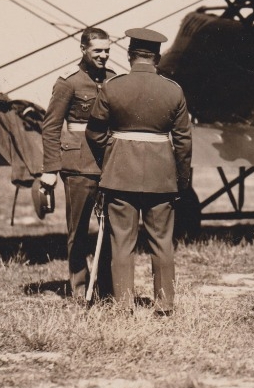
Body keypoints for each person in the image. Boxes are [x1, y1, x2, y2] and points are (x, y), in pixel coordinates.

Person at [85, 28, 192, 315]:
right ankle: (165, 305)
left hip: (120, 175)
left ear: (130, 55)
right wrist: (181, 181)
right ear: (157, 57)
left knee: (121, 242)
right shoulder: (173, 90)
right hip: (162, 178)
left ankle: (123, 307)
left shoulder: (113, 87)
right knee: (162, 241)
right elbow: (183, 142)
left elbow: (94, 133)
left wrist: (112, 155)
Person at [40, 27, 116, 303]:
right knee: (78, 231)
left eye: (107, 50)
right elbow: (50, 128)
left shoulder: (114, 81)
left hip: (107, 165)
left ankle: (107, 290)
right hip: (77, 166)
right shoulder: (68, 83)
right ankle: (80, 289)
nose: (104, 55)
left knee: (110, 230)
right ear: (83, 49)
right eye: (98, 50)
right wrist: (49, 169)